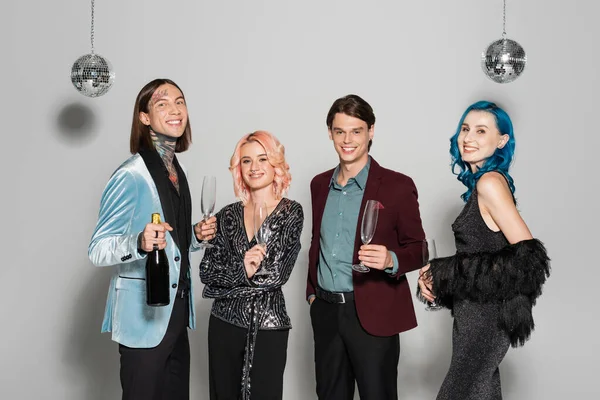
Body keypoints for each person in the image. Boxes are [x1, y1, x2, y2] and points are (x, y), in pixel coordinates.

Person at [88, 78, 216, 400]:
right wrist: (138, 242)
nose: (175, 110)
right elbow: (98, 248)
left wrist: (196, 239)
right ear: (144, 117)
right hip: (143, 320)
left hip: (176, 313)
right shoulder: (131, 174)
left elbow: (173, 247)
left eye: (180, 102)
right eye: (162, 104)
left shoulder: (176, 170)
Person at [418, 100, 551, 400]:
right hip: (474, 318)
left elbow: (530, 259)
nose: (468, 138)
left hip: (486, 322)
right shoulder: (484, 184)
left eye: (481, 131)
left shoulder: (490, 183)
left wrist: (445, 271)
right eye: (465, 129)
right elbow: (486, 262)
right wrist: (442, 283)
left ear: (501, 140)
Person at [306, 94, 426, 399]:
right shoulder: (319, 185)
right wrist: (312, 294)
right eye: (339, 131)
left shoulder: (397, 186)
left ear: (371, 131)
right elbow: (316, 241)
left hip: (373, 315)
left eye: (356, 131)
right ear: (330, 133)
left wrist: (391, 260)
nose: (347, 140)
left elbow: (420, 249)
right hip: (326, 314)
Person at [200, 131, 304, 400]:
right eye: (246, 161)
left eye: (262, 159)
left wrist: (226, 282)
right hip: (223, 324)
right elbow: (206, 271)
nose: (254, 168)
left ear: (275, 164)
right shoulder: (226, 215)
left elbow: (275, 274)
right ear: (239, 167)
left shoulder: (291, 213)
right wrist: (243, 269)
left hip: (268, 325)